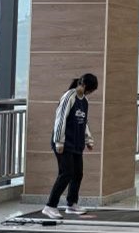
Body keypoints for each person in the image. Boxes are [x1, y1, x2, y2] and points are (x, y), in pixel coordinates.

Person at [42, 73, 98, 218]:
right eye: (89, 90)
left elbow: (84, 122)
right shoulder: (69, 97)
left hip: (76, 143)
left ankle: (72, 204)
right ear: (83, 84)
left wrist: (89, 140)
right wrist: (59, 141)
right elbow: (60, 119)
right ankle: (50, 206)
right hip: (64, 143)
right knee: (66, 173)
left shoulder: (84, 101)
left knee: (78, 173)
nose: (89, 93)